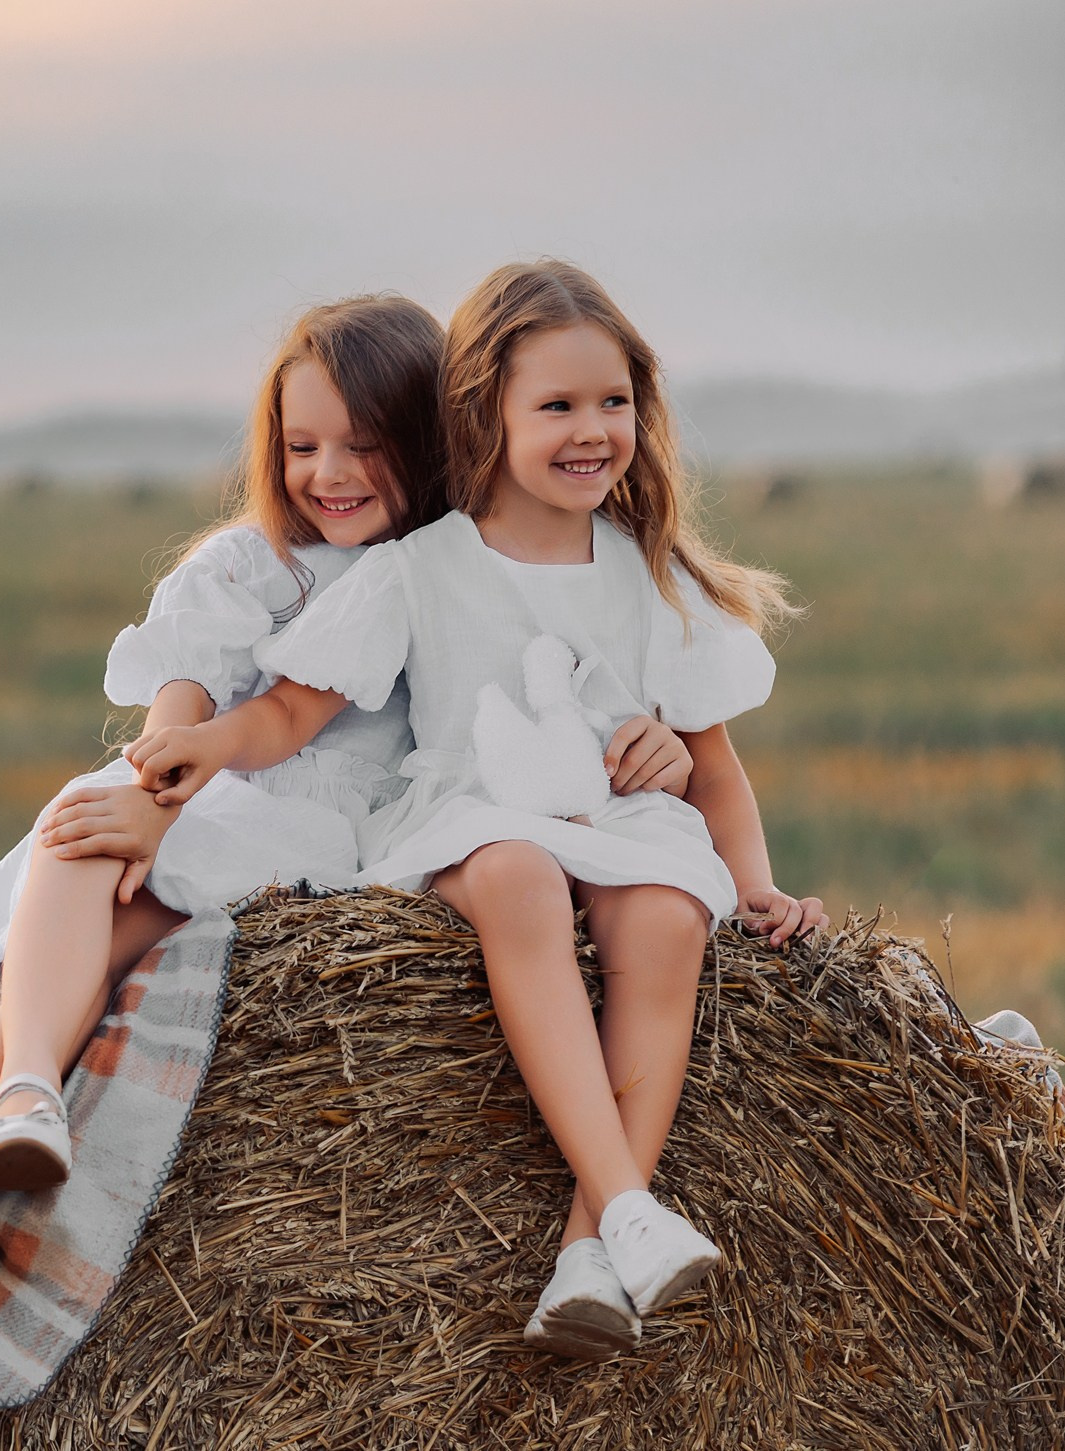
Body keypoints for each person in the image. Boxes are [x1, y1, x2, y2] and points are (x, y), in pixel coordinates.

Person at [128, 260, 825, 1359]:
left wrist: (752, 887)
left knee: (664, 917)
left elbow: (715, 767)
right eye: (556, 406)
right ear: (481, 413)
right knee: (516, 875)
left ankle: (589, 1249)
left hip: (617, 819)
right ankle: (627, 1200)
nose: (591, 429)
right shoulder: (420, 569)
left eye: (612, 402)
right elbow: (294, 709)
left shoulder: (649, 574)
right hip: (472, 813)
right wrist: (208, 742)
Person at [0, 295, 457, 1254]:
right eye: (301, 446)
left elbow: (286, 718)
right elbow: (185, 680)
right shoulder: (251, 559)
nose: (328, 472)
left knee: (125, 902)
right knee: (82, 826)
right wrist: (148, 793)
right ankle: (20, 1096)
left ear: (426, 437)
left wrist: (172, 801)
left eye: (363, 445)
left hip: (313, 820)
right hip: (208, 790)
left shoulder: (419, 574)